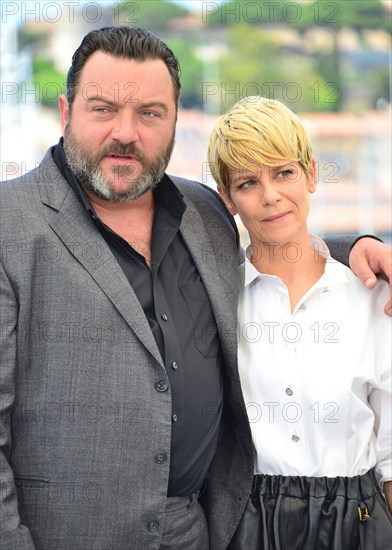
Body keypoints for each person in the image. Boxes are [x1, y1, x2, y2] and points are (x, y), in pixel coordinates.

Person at [0, 26, 390, 550]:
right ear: (67, 112)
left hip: (199, 532)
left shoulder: (203, 213)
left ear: (174, 123)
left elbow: (278, 238)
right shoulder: (10, 224)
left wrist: (357, 248)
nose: (126, 132)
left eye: (150, 113)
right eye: (103, 109)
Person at [208, 95, 392, 549]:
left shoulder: (373, 297)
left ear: (311, 174)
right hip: (247, 527)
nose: (270, 195)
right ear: (227, 199)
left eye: (283, 172)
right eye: (248, 182)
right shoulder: (214, 305)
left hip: (360, 523)